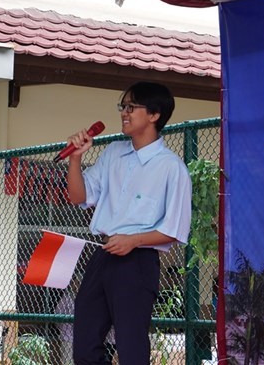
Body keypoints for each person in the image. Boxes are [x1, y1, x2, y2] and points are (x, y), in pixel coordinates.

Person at [65, 81, 192, 365]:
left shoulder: (171, 168)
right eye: (123, 106)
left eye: (132, 107)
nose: (124, 112)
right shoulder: (113, 152)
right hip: (102, 254)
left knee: (131, 346)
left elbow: (175, 229)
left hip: (138, 261)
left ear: (154, 114)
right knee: (84, 345)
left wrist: (133, 240)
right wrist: (75, 159)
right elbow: (78, 196)